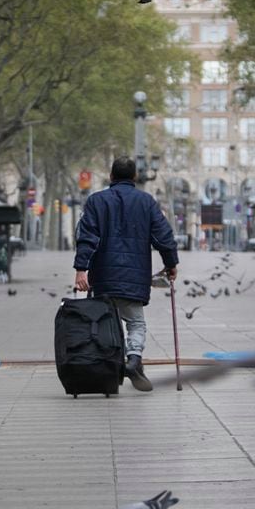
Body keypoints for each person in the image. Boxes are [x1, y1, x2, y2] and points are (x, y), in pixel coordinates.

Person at [73, 157, 179, 392]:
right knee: (136, 323)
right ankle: (133, 360)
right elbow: (164, 237)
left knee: (104, 323)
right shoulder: (146, 202)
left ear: (110, 177)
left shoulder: (96, 201)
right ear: (134, 178)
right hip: (134, 278)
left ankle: (110, 368)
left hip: (102, 278)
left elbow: (87, 237)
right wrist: (171, 264)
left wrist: (81, 269)